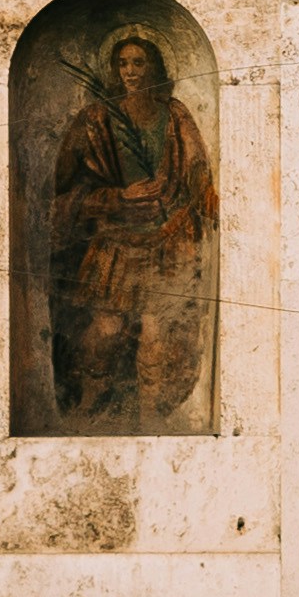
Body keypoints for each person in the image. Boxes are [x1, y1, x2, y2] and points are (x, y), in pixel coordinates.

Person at [41, 26, 212, 423]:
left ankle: (152, 417)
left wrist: (198, 205)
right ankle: (87, 407)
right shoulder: (95, 119)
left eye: (139, 62)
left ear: (154, 66)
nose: (131, 71)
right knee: (105, 331)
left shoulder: (174, 113)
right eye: (123, 63)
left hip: (167, 241)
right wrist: (119, 198)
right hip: (115, 241)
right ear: (113, 70)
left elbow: (198, 174)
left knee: (156, 336)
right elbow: (63, 195)